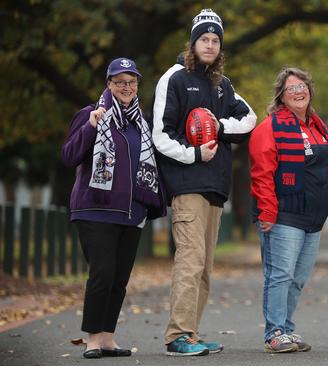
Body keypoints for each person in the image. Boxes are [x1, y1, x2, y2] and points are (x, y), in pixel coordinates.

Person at [152, 8, 257, 356]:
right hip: (187, 185)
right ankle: (177, 335)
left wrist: (220, 125)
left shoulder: (223, 85)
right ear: (193, 42)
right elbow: (160, 137)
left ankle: (191, 335)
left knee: (205, 268)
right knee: (191, 259)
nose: (209, 45)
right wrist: (195, 155)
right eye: (204, 39)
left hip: (215, 188)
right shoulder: (175, 78)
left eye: (215, 40)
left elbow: (250, 119)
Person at [61, 57, 166, 359]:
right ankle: (93, 338)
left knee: (119, 278)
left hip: (131, 213)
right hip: (95, 209)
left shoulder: (141, 123)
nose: (126, 87)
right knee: (102, 274)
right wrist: (92, 126)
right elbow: (69, 156)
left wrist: (151, 205)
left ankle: (107, 337)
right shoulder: (90, 114)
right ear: (108, 84)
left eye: (131, 82)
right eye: (119, 82)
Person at [249, 67, 328, 353]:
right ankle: (274, 332)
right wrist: (266, 211)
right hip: (283, 214)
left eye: (302, 86)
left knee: (298, 278)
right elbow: (262, 173)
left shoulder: (318, 126)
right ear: (281, 95)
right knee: (280, 274)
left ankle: (286, 329)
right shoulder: (270, 128)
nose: (299, 91)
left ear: (310, 90)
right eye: (291, 88)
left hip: (313, 217)